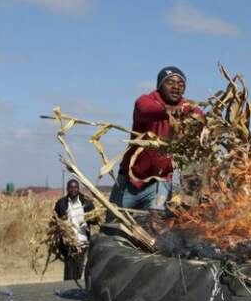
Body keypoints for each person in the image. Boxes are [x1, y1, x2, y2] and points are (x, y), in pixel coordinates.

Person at [110, 66, 202, 211]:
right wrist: (171, 112)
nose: (176, 87)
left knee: (157, 228)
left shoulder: (189, 108)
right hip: (129, 181)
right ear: (160, 85)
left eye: (181, 84)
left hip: (160, 184)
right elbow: (145, 109)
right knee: (113, 226)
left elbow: (200, 118)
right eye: (170, 82)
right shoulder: (145, 101)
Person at [54, 179, 95, 282]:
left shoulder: (86, 203)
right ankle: (68, 287)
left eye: (75, 187)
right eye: (71, 187)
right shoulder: (61, 203)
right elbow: (55, 220)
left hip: (82, 241)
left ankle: (75, 287)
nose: (73, 190)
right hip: (68, 243)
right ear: (67, 189)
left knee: (78, 267)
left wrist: (90, 218)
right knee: (69, 268)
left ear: (78, 189)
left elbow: (95, 220)